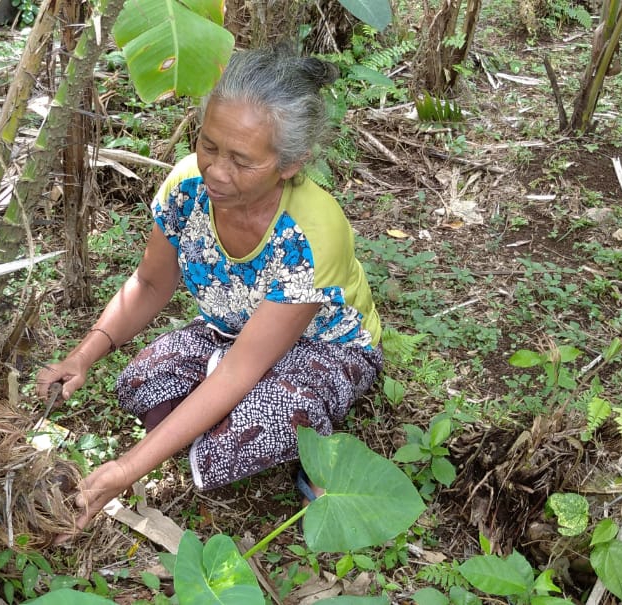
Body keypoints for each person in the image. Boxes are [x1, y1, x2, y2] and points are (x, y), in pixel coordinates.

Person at [36, 42, 383, 536]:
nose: (217, 171)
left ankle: (313, 447)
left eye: (242, 160)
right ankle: (214, 415)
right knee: (138, 384)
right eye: (210, 146)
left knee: (234, 444)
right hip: (230, 332)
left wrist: (126, 469)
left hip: (326, 346)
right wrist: (83, 356)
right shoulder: (186, 187)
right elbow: (149, 284)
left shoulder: (312, 233)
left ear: (289, 164)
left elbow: (242, 368)